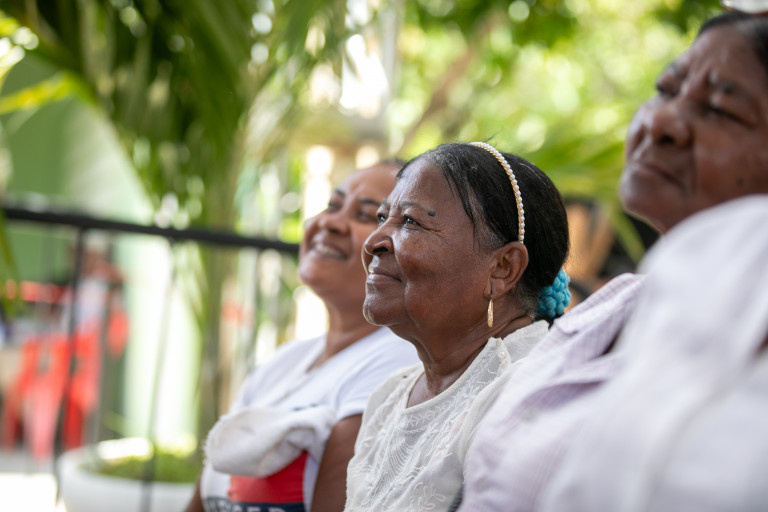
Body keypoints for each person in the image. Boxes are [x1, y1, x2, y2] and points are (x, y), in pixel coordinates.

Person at [456, 10, 768, 512]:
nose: (662, 122)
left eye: (720, 109)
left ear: (506, 266)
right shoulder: (615, 305)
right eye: (667, 90)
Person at [343, 142, 571, 512]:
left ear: (503, 268)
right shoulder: (390, 395)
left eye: (411, 221)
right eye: (382, 217)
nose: (373, 242)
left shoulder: (525, 395)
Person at [184, 161, 419, 512]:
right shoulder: (282, 362)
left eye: (368, 215)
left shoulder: (399, 363)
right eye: (333, 205)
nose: (329, 222)